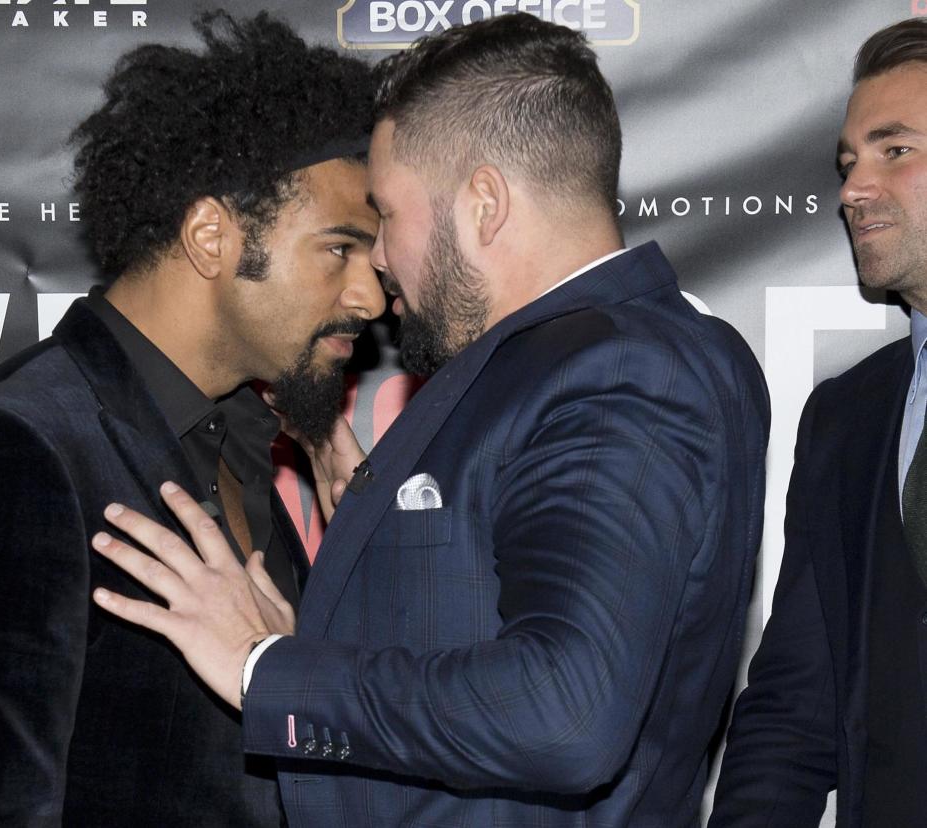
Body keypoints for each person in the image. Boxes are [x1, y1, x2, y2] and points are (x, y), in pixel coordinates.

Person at [90, 12, 771, 827]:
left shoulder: (622, 370)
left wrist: (263, 670)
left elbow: (563, 716)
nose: (378, 261)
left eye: (388, 213)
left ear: (483, 203)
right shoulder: (560, 361)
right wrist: (310, 651)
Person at [0, 11, 384, 827]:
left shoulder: (248, 446)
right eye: (339, 249)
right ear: (213, 236)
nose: (370, 296)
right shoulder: (9, 453)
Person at [711, 18, 927, 826]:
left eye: (894, 150)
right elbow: (792, 709)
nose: (852, 189)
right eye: (847, 163)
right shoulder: (847, 414)